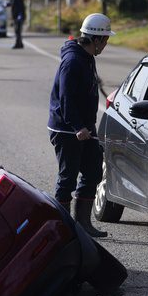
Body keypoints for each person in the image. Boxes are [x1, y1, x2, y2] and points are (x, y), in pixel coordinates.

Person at [47, 13, 115, 238]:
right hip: (67, 129)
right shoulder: (73, 62)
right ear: (95, 40)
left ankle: (83, 223)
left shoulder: (87, 58)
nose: (106, 45)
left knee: (94, 170)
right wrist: (77, 127)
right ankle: (64, 226)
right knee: (68, 176)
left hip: (84, 127)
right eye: (105, 40)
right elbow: (66, 99)